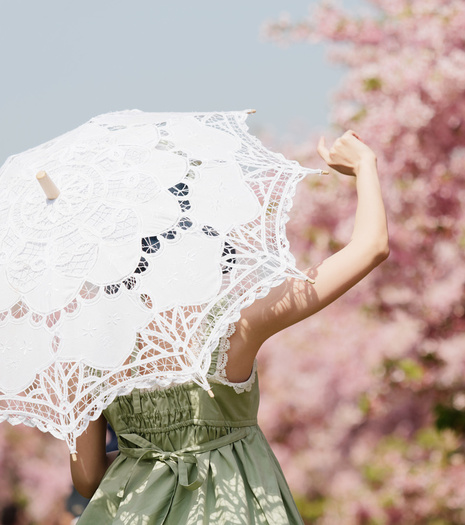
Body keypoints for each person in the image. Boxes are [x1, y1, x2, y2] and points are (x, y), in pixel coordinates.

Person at [70, 130, 389, 524]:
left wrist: (152, 453)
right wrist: (364, 165)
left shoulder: (90, 347)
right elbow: (371, 246)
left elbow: (86, 478)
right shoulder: (233, 325)